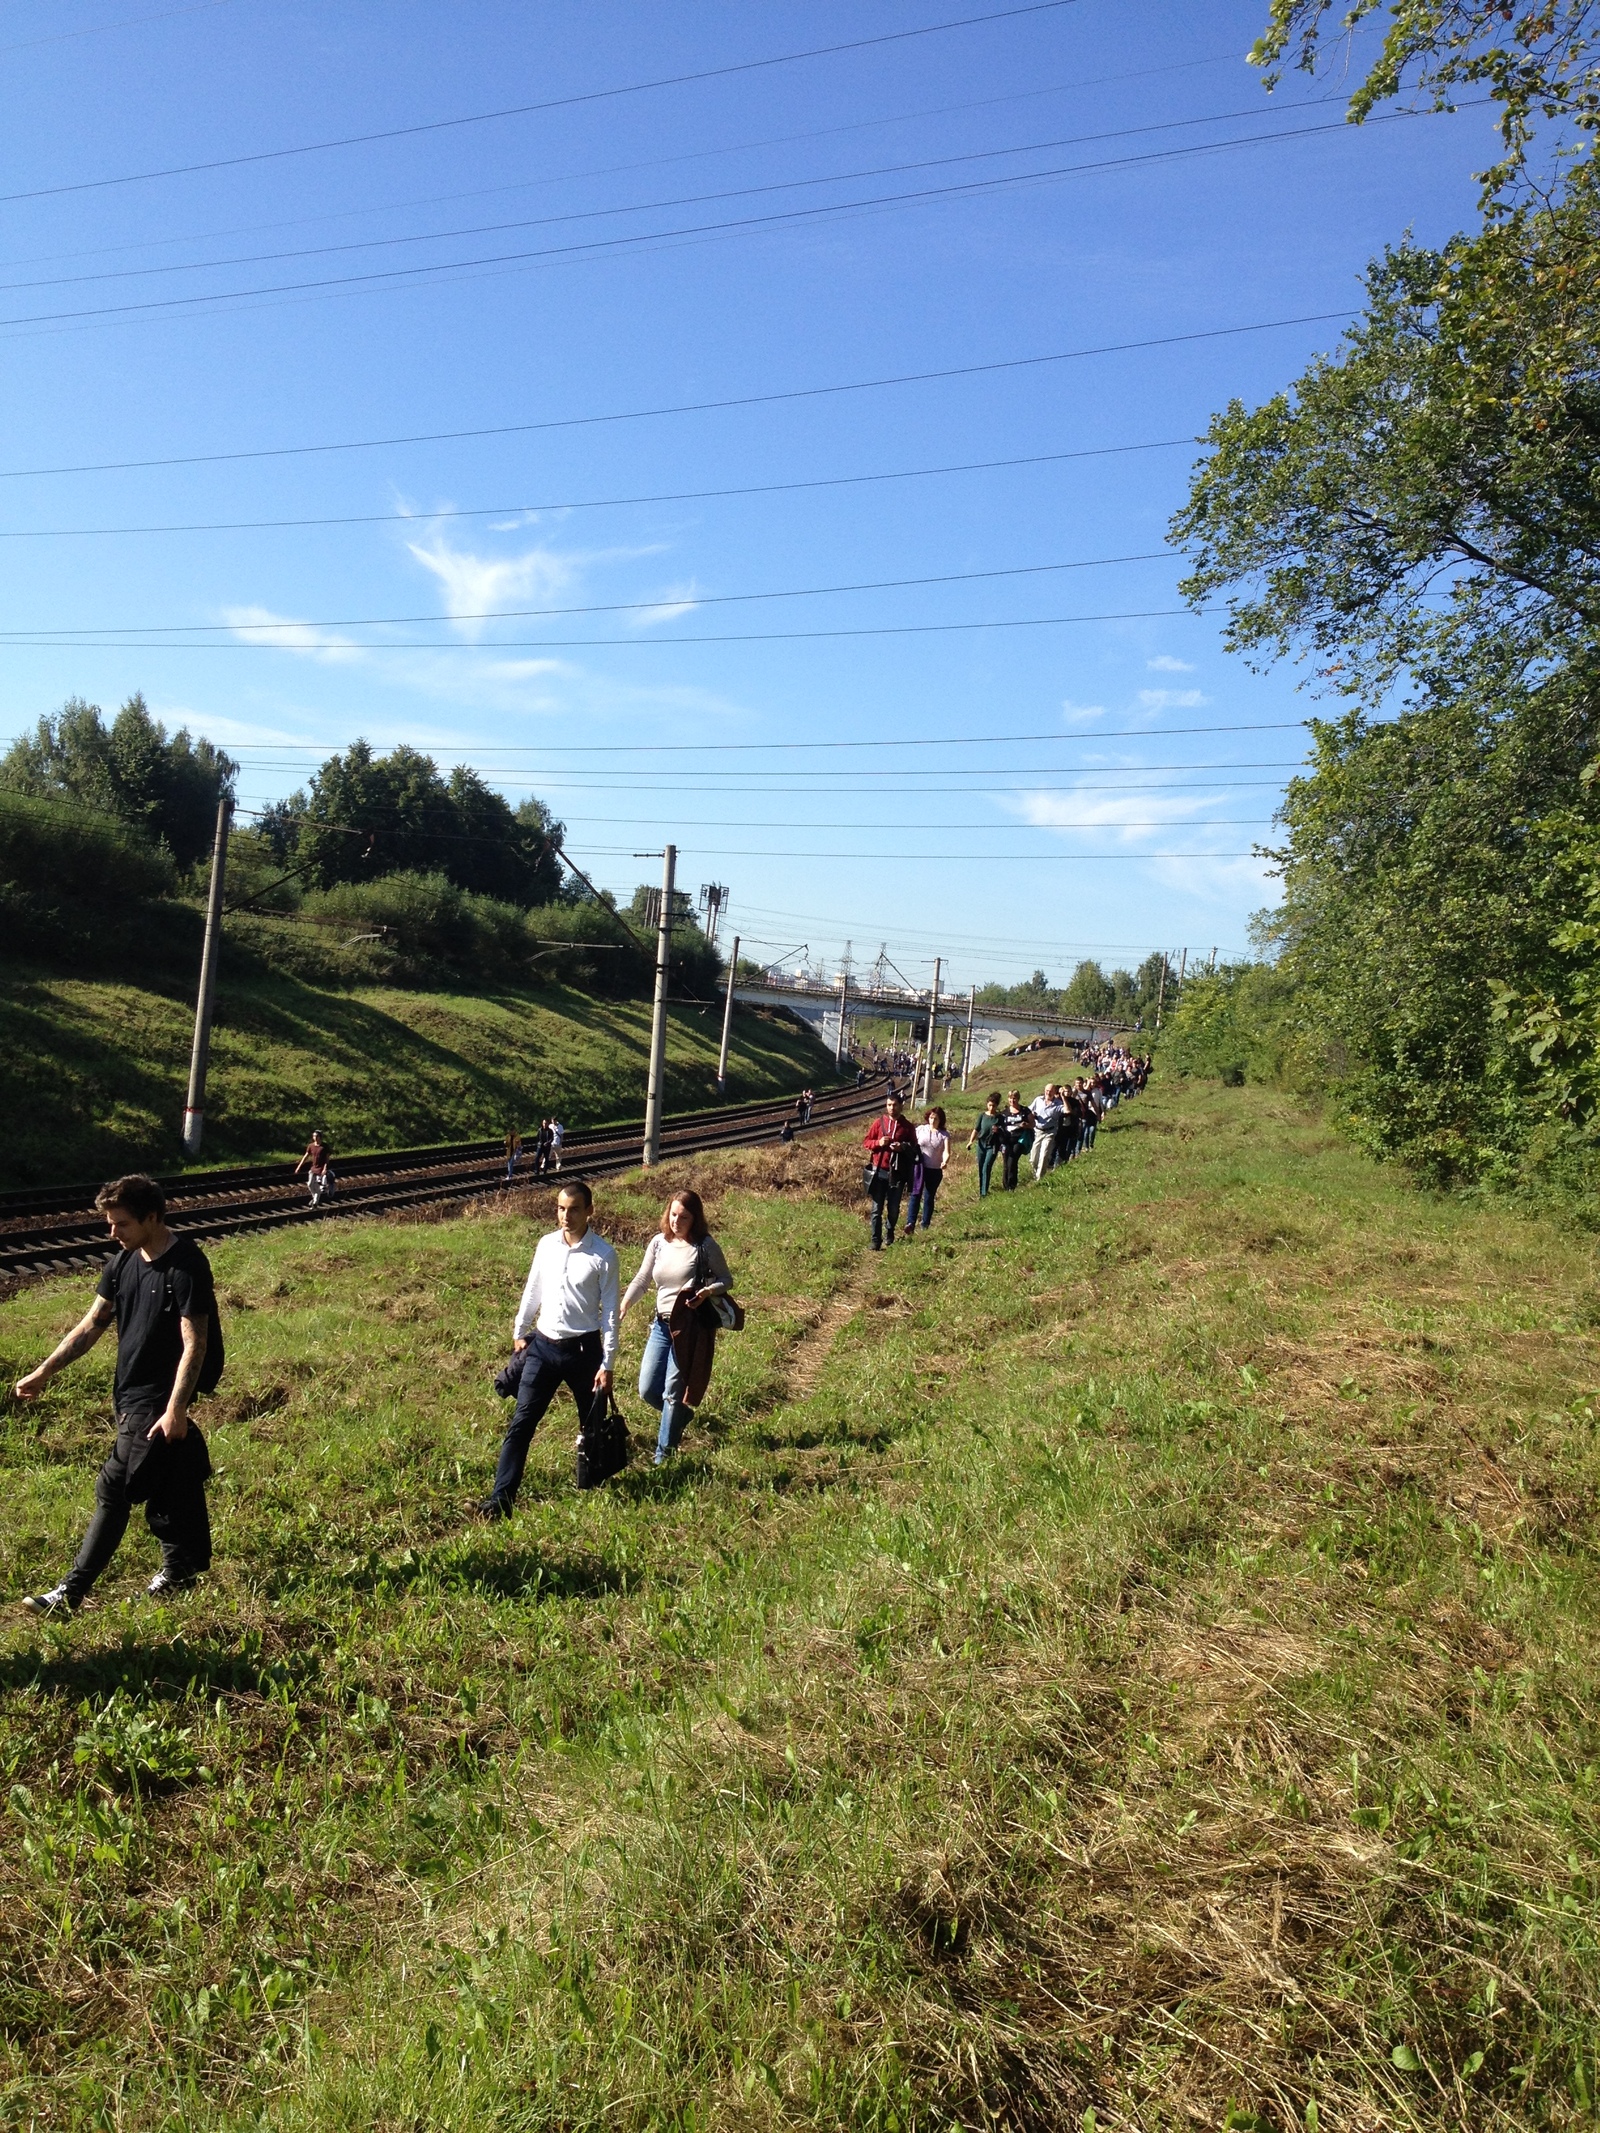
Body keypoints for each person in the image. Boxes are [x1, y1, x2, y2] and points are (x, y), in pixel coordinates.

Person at [16, 1174, 220, 1615]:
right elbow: (92, 1324)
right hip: (129, 1398)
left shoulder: (185, 1266)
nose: (112, 1233)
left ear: (152, 1217)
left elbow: (195, 1343)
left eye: (121, 1223)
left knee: (113, 1489)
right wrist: (42, 1372)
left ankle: (70, 1594)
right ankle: (180, 1568)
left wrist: (176, 1409)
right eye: (109, 1223)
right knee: (170, 1481)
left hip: (156, 1402)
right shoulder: (123, 1263)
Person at [480, 1180, 618, 1520]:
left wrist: (608, 1362)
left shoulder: (603, 1255)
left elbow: (611, 1313)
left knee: (592, 1425)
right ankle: (501, 1501)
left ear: (589, 1211)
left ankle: (595, 1486)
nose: (565, 1216)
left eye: (573, 1209)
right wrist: (519, 1330)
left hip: (584, 1351)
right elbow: (533, 1289)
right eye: (560, 1208)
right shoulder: (546, 1245)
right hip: (542, 1347)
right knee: (522, 1423)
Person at [620, 1189, 733, 1465]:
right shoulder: (659, 1243)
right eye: (672, 1214)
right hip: (661, 1326)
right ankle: (680, 1416)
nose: (676, 1221)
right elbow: (642, 1279)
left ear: (695, 1218)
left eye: (683, 1216)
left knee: (673, 1391)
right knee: (647, 1389)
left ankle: (663, 1456)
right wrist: (625, 1303)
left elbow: (727, 1280)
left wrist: (707, 1291)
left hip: (689, 1328)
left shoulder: (704, 1246)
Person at [862, 1090, 917, 1249]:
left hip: (897, 1174)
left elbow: (914, 1148)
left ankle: (890, 1230)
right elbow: (866, 1142)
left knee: (893, 1208)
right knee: (876, 1209)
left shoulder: (907, 1127)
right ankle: (875, 1239)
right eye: (888, 1105)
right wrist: (878, 1143)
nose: (891, 1108)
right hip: (879, 1171)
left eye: (894, 1105)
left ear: (900, 1106)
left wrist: (903, 1147)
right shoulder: (879, 1123)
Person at [904, 1105, 949, 1235]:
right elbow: (911, 1143)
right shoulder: (920, 1130)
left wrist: (945, 1161)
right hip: (919, 1168)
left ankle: (925, 1224)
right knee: (915, 1194)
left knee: (929, 1196)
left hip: (934, 1169)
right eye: (930, 1117)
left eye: (935, 1118)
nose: (932, 1121)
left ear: (941, 1120)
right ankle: (910, 1223)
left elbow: (946, 1151)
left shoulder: (944, 1135)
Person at [968, 1093, 1003, 1197]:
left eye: (994, 1105)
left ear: (997, 1106)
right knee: (980, 1167)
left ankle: (984, 1193)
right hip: (981, 1145)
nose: (991, 1107)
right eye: (990, 1105)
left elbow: (1004, 1131)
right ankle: (981, 1191)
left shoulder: (999, 1118)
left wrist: (998, 1130)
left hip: (992, 1146)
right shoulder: (982, 1116)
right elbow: (976, 1129)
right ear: (987, 1104)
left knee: (986, 1167)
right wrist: (970, 1141)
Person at [1030, 1084, 1065, 1181]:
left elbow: (1067, 1110)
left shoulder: (1058, 1104)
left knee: (1044, 1155)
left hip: (1050, 1132)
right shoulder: (1038, 1100)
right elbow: (1029, 1110)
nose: (1048, 1093)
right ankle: (1036, 1172)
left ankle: (1039, 1179)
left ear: (1054, 1092)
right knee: (1033, 1158)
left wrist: (1063, 1097)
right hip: (1038, 1131)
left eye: (1050, 1091)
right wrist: (1032, 1115)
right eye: (1047, 1090)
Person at [999, 1090, 1032, 1191]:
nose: (1012, 1100)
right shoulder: (1004, 1113)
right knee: (1006, 1162)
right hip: (1006, 1140)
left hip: (1019, 1140)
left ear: (1018, 1099)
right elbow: (1000, 1125)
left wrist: (1027, 1125)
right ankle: (1005, 1186)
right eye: (1010, 1098)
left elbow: (1033, 1124)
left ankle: (1012, 1185)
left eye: (1014, 1098)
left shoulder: (1025, 1111)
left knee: (1012, 1161)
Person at [294, 1129, 334, 1206]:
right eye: (314, 1136)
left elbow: (327, 1159)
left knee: (318, 1186)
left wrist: (325, 1168)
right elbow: (305, 1156)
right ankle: (315, 1198)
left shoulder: (324, 1147)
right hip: (313, 1168)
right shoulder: (311, 1146)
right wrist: (299, 1167)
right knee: (309, 1184)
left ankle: (315, 1202)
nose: (315, 1137)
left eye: (317, 1136)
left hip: (321, 1169)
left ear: (320, 1137)